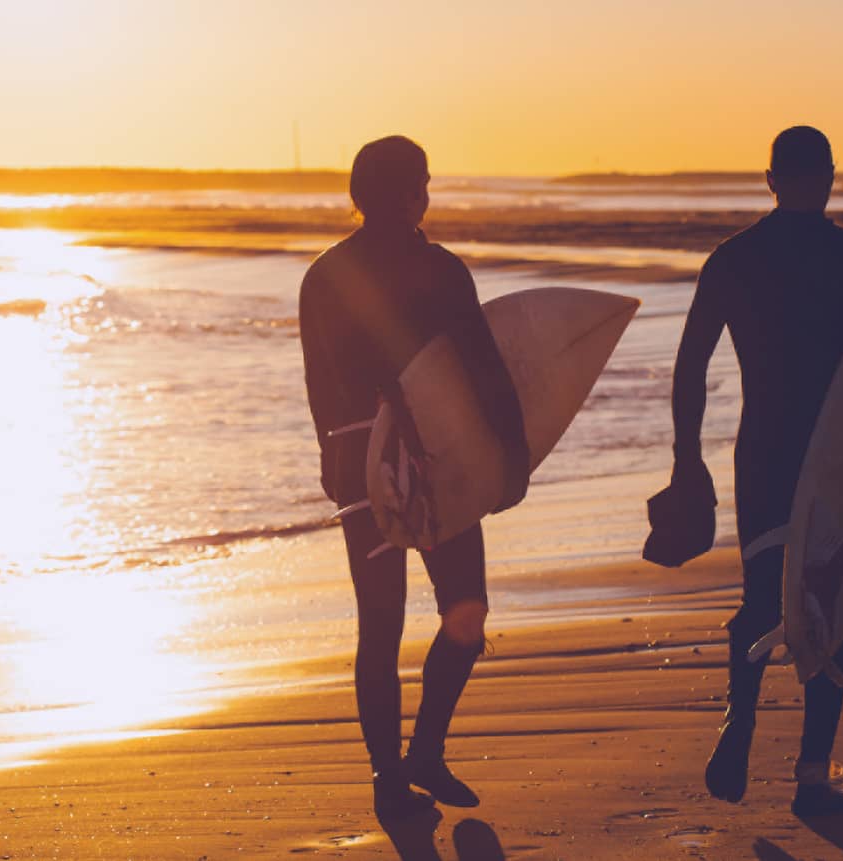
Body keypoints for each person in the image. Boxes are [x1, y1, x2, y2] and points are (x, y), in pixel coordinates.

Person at [659, 126, 843, 817]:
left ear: (770, 179)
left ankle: (741, 719)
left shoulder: (732, 259)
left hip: (762, 451)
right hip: (833, 454)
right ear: (830, 178)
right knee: (831, 603)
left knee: (762, 594)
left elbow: (690, 364)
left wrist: (686, 456)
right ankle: (813, 766)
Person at [299, 136, 529, 819]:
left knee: (380, 625)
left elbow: (319, 382)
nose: (427, 194)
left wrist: (332, 460)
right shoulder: (441, 271)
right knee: (466, 610)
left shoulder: (323, 276)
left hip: (358, 465)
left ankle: (395, 770)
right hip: (437, 464)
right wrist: (511, 455)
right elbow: (483, 370)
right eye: (423, 183)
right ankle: (418, 752)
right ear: (407, 193)